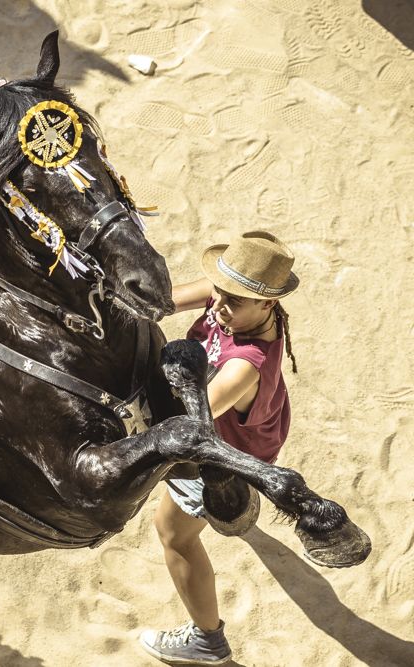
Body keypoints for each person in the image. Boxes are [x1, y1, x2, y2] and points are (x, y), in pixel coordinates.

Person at [139, 231, 301, 665]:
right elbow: (162, 302)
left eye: (234, 301)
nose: (218, 306)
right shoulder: (236, 301)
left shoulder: (247, 366)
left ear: (267, 303)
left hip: (228, 450)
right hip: (254, 426)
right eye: (220, 291)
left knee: (173, 535)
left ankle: (207, 641)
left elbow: (187, 425)